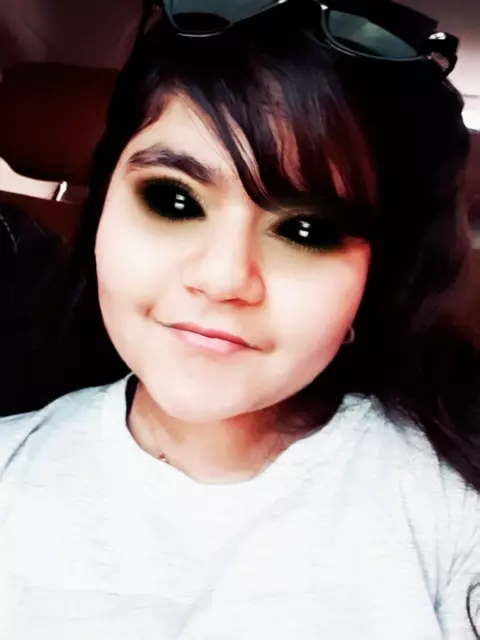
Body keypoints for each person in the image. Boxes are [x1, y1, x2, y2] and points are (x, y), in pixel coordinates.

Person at [0, 1, 479, 637]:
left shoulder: (451, 508)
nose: (224, 278)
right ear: (103, 213)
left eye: (305, 230)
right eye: (173, 199)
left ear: (376, 282)